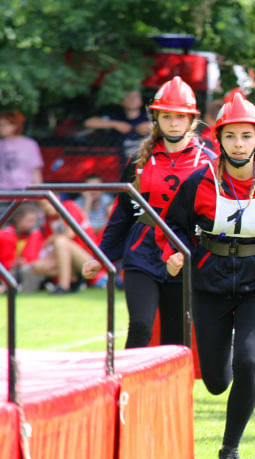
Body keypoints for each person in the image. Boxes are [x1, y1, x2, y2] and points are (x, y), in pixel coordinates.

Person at [161, 93, 255, 459]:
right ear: (219, 140)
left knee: (248, 362)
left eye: (245, 136)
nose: (238, 144)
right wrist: (174, 254)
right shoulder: (199, 181)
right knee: (214, 381)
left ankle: (231, 449)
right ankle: (217, 368)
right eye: (230, 136)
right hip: (209, 283)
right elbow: (173, 227)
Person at [81, 76, 215, 347]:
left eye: (179, 117)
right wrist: (102, 255)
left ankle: (174, 391)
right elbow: (122, 215)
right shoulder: (139, 160)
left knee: (176, 337)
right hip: (142, 252)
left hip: (184, 253)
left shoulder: (209, 161)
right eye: (166, 116)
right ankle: (129, 387)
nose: (173, 123)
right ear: (156, 119)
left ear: (191, 120)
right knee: (141, 326)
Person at [33, 198, 96, 294]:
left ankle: (63, 287)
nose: (46, 207)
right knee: (38, 266)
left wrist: (52, 238)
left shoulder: (68, 206)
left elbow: (70, 233)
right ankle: (74, 280)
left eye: (48, 203)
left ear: (56, 199)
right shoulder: (49, 220)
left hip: (91, 258)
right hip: (69, 259)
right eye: (42, 205)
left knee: (60, 241)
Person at [83, 89, 151, 170]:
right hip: (125, 165)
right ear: (121, 102)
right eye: (127, 96)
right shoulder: (117, 118)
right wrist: (115, 124)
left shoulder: (149, 116)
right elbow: (88, 122)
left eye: (135, 96)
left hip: (148, 163)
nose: (131, 99)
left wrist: (151, 126)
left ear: (141, 101)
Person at [0, 110, 44, 214]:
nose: (1, 128)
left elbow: (35, 172)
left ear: (15, 125)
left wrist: (39, 194)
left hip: (24, 192)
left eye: (3, 125)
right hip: (3, 193)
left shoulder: (29, 144)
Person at [0, 202, 44, 293]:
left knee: (27, 269)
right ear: (18, 219)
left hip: (24, 270)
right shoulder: (5, 235)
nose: (33, 224)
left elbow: (31, 258)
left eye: (34, 221)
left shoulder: (34, 235)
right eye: (29, 221)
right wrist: (13, 262)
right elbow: (4, 262)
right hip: (7, 272)